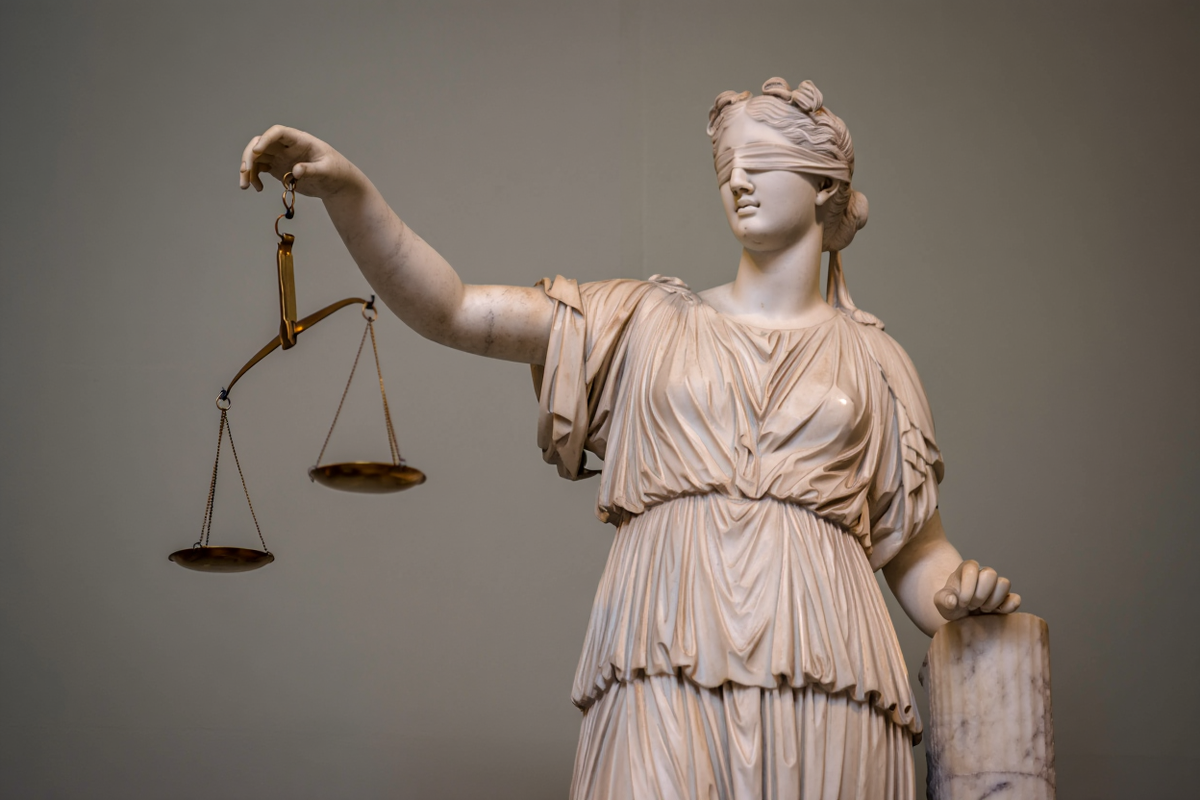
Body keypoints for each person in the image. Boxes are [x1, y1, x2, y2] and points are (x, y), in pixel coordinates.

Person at [240, 77, 1021, 800]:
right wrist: (351, 192)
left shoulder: (876, 361)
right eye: (726, 169)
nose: (738, 182)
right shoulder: (639, 321)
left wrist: (961, 596)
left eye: (760, 165)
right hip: (662, 637)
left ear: (825, 187)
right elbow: (453, 311)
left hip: (827, 659)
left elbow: (915, 552)